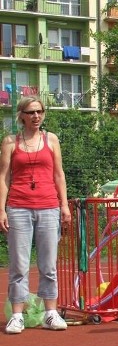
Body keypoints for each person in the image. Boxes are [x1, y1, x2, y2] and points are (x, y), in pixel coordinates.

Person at [0, 96, 72, 333]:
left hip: (49, 207)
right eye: (31, 112)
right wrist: (2, 209)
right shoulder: (11, 142)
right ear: (21, 116)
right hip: (19, 207)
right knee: (19, 265)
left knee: (48, 264)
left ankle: (51, 313)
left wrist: (64, 205)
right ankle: (17, 316)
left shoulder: (51, 139)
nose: (36, 116)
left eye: (39, 112)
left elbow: (59, 174)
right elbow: (4, 178)